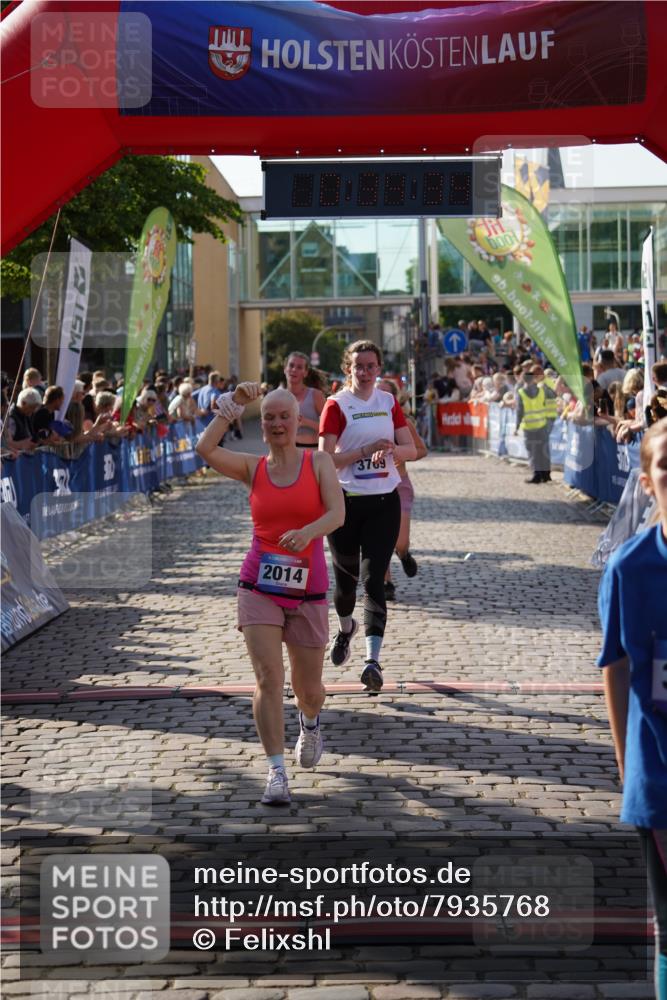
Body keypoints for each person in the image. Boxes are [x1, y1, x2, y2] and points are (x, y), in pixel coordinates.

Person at [195, 382, 344, 806]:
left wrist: (308, 532)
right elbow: (205, 449)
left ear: (298, 422)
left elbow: (338, 513)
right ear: (261, 426)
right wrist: (232, 406)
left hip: (308, 589)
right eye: (269, 417)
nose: (277, 424)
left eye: (284, 417)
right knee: (267, 677)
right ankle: (276, 771)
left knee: (309, 689)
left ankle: (310, 721)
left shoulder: (318, 462)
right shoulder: (253, 467)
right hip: (258, 584)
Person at [597, 417, 667, 1000]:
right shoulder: (629, 566)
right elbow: (614, 667)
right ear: (647, 482)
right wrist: (627, 764)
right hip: (659, 773)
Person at [319, 339, 417, 692]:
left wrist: (391, 450)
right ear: (348, 368)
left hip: (384, 502)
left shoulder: (387, 402)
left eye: (370, 366)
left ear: (379, 369)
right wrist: (364, 451)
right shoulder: (336, 404)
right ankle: (346, 628)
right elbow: (324, 460)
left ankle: (372, 661)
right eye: (358, 366)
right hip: (345, 503)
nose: (364, 372)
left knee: (374, 580)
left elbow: (412, 449)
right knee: (346, 587)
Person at [378, 379, 428, 602]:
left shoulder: (403, 423)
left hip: (400, 485)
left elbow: (421, 450)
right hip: (375, 485)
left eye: (386, 394)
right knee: (380, 537)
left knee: (399, 541)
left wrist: (402, 453)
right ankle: (386, 582)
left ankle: (404, 553)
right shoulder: (362, 421)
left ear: (395, 399)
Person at [515, 369, 555, 483]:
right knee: (543, 450)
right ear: (533, 379)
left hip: (529, 427)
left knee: (533, 452)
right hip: (542, 425)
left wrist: (516, 427)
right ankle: (546, 475)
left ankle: (537, 475)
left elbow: (519, 411)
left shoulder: (521, 392)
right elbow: (552, 397)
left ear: (523, 379)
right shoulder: (542, 390)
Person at [284, 351, 326, 449]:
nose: (294, 369)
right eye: (291, 365)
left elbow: (329, 427)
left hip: (311, 451)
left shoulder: (315, 395)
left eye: (299, 367)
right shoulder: (278, 397)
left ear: (305, 373)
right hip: (286, 451)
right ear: (285, 369)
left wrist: (305, 422)